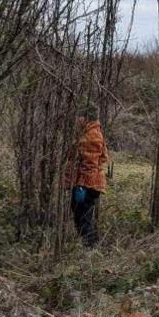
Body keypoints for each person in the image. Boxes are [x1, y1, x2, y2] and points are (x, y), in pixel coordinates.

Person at [68, 103, 110, 247]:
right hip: (87, 184)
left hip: (88, 185)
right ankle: (88, 246)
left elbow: (90, 164)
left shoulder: (92, 136)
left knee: (84, 218)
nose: (77, 119)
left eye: (79, 116)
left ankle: (91, 249)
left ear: (86, 118)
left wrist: (81, 185)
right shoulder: (88, 132)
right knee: (80, 215)